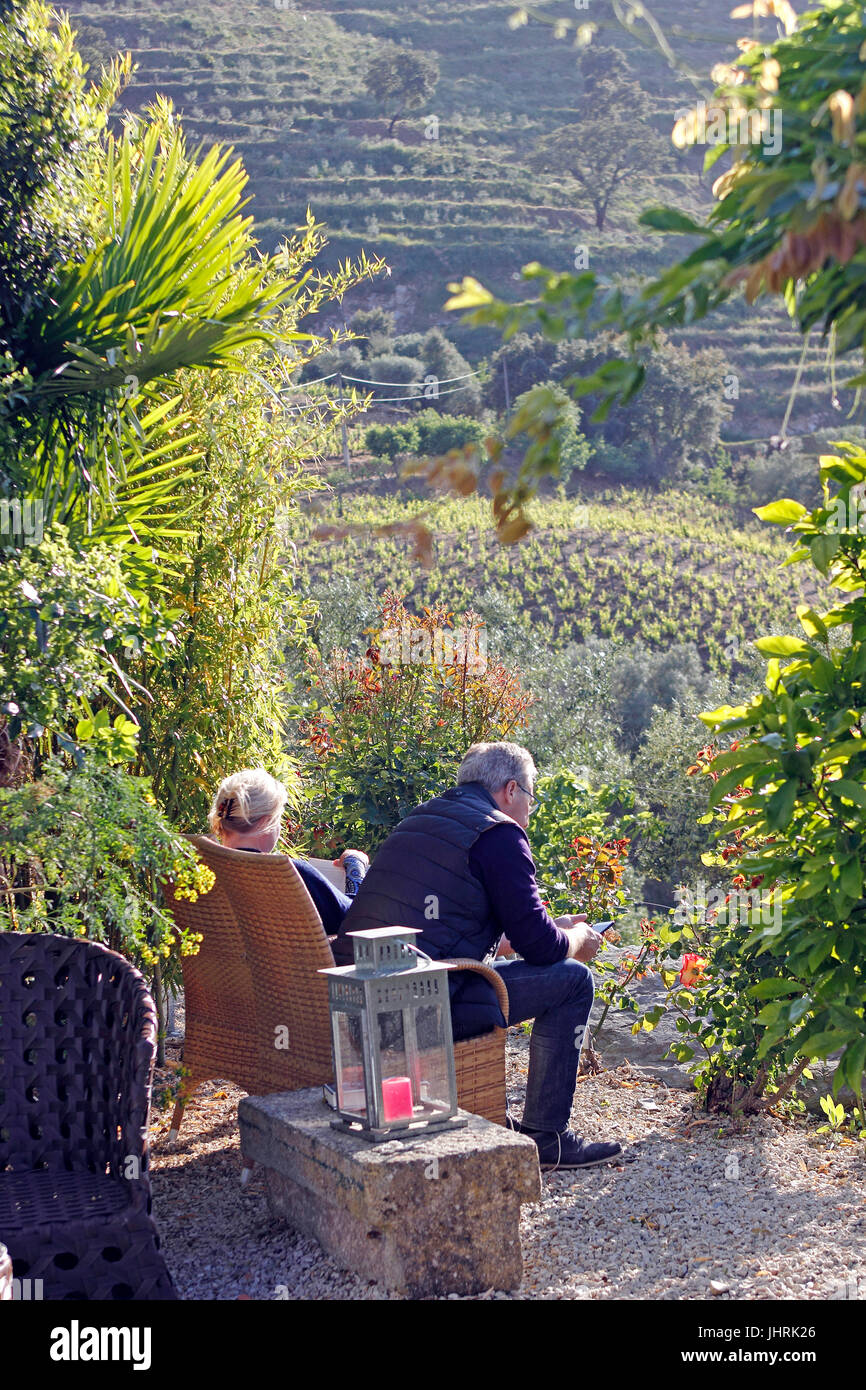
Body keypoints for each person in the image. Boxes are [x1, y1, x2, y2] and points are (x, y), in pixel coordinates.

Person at [332, 741, 623, 1171]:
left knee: (548, 967)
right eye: (530, 796)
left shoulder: (420, 818)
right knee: (573, 981)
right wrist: (578, 938)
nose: (529, 810)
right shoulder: (499, 833)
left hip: (356, 999)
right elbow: (543, 949)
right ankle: (548, 1138)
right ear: (510, 790)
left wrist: (546, 927)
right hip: (421, 1007)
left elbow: (447, 922)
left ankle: (508, 1119)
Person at [208, 769, 367, 932]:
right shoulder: (289, 875)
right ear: (266, 822)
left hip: (221, 957)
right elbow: (358, 922)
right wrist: (355, 865)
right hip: (300, 957)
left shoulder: (200, 869)